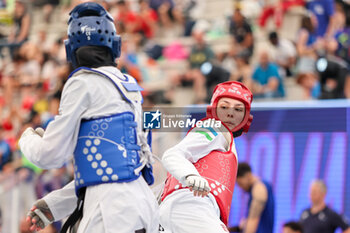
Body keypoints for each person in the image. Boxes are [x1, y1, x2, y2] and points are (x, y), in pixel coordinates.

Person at [18, 2, 158, 233]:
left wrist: (27, 138)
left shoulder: (81, 82)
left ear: (70, 48)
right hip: (141, 206)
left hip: (112, 213)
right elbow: (110, 171)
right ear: (115, 45)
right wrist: (54, 205)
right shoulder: (131, 88)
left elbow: (50, 155)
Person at [160, 81, 254, 232]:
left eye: (238, 109)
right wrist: (190, 176)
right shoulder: (214, 128)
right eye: (224, 107)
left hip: (187, 210)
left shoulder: (223, 138)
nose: (230, 113)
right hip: (191, 206)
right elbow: (172, 155)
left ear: (246, 116)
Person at [236, 162, 275, 233]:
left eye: (240, 183)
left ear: (248, 176)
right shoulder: (259, 188)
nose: (241, 187)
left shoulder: (259, 188)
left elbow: (253, 219)